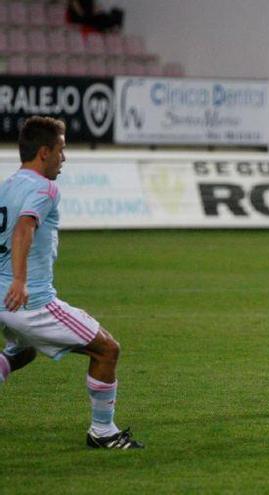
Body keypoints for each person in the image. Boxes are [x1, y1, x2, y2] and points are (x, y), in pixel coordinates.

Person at [0, 116, 143, 449]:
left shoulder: (6, 186)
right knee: (107, 349)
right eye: (62, 151)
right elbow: (24, 229)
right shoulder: (45, 187)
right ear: (45, 152)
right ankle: (103, 433)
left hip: (2, 297)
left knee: (23, 351)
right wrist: (20, 281)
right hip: (30, 301)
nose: (64, 159)